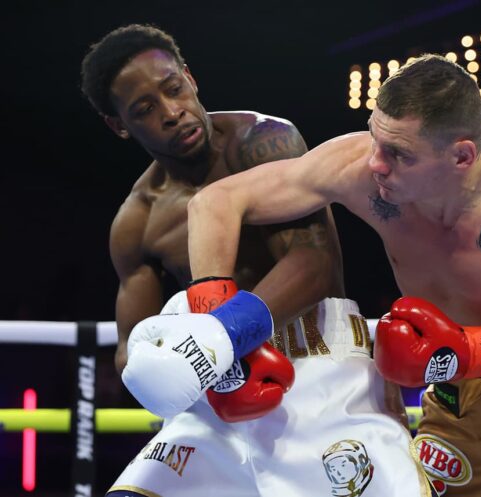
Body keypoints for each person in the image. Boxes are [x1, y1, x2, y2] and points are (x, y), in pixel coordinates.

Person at [187, 54, 481, 497]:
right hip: (455, 387)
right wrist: (220, 335)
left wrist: (469, 350)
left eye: (398, 153)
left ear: (461, 156)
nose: (376, 163)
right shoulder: (359, 169)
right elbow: (214, 203)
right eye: (374, 138)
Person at [80, 24, 429, 496]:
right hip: (214, 393)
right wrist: (159, 365)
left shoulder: (263, 142)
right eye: (144, 109)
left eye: (173, 89)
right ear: (119, 125)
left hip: (320, 371)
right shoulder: (136, 221)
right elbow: (131, 346)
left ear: (190, 77)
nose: (171, 112)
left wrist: (220, 339)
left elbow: (315, 262)